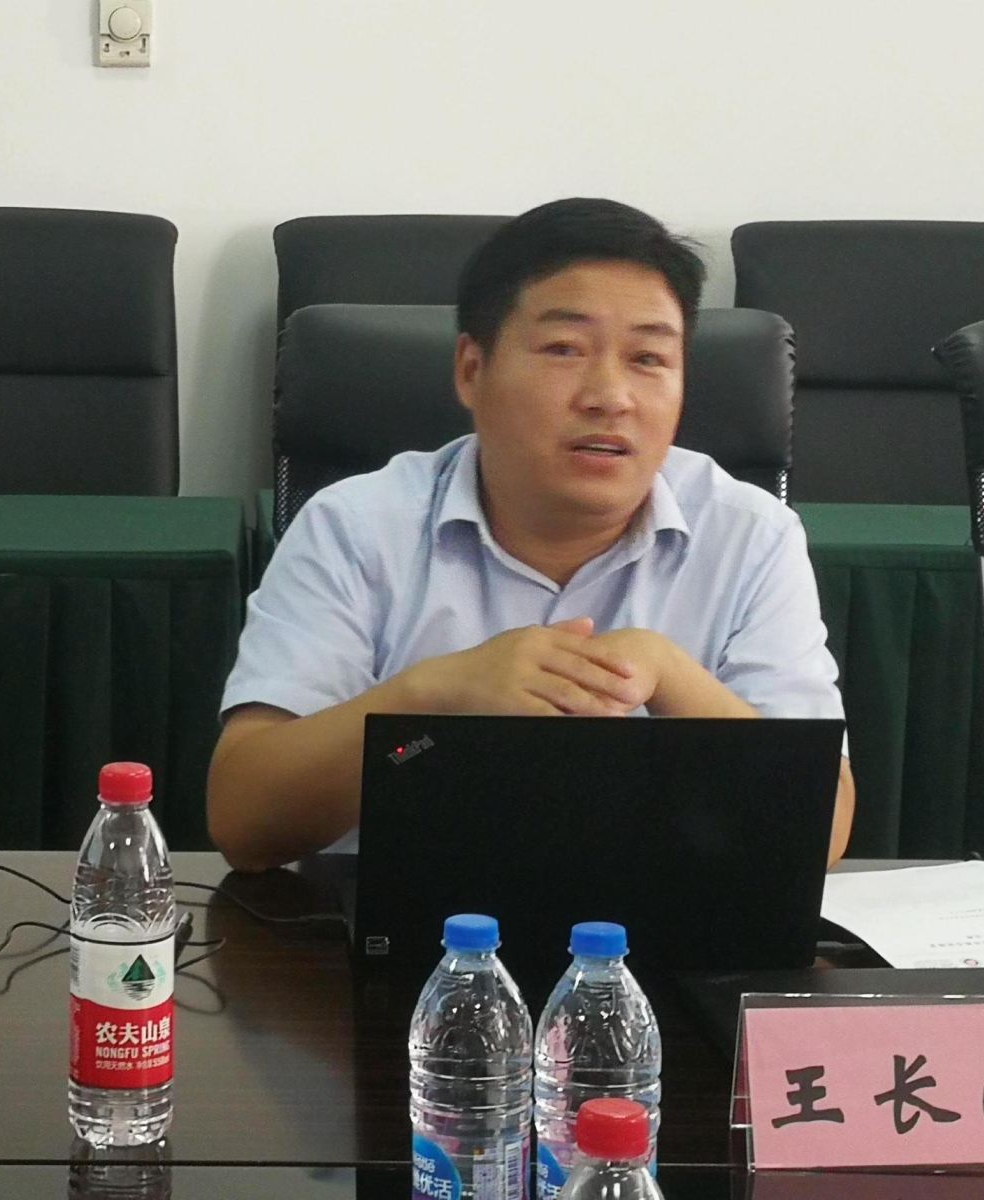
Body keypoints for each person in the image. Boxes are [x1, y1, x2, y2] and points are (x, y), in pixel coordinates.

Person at [208, 198, 855, 871]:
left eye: (648, 358)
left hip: (663, 917)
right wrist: (434, 698)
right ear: (471, 370)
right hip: (390, 918)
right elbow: (245, 820)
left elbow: (823, 830)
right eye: (563, 349)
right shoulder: (355, 527)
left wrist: (668, 677)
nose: (610, 396)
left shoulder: (751, 537)